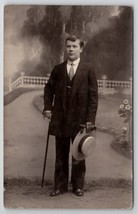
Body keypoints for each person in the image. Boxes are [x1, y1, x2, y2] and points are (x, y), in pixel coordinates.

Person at [43, 35, 98, 197]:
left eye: (74, 46)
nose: (71, 49)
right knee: (60, 153)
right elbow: (48, 89)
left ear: (81, 48)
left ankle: (78, 186)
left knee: (78, 154)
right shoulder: (58, 69)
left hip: (80, 120)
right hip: (60, 119)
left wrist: (90, 119)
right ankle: (59, 186)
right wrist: (47, 107)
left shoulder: (88, 69)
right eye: (68, 46)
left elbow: (93, 97)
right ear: (65, 48)